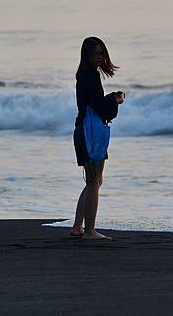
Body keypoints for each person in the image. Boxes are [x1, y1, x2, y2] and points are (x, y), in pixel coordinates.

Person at [70, 37, 125, 239]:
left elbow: (94, 104)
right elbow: (98, 106)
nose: (100, 57)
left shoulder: (87, 75)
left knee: (95, 181)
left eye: (102, 53)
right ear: (87, 55)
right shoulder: (89, 76)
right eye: (96, 53)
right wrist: (115, 99)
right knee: (94, 182)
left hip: (87, 131)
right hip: (89, 132)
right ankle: (90, 230)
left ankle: (78, 226)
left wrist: (110, 100)